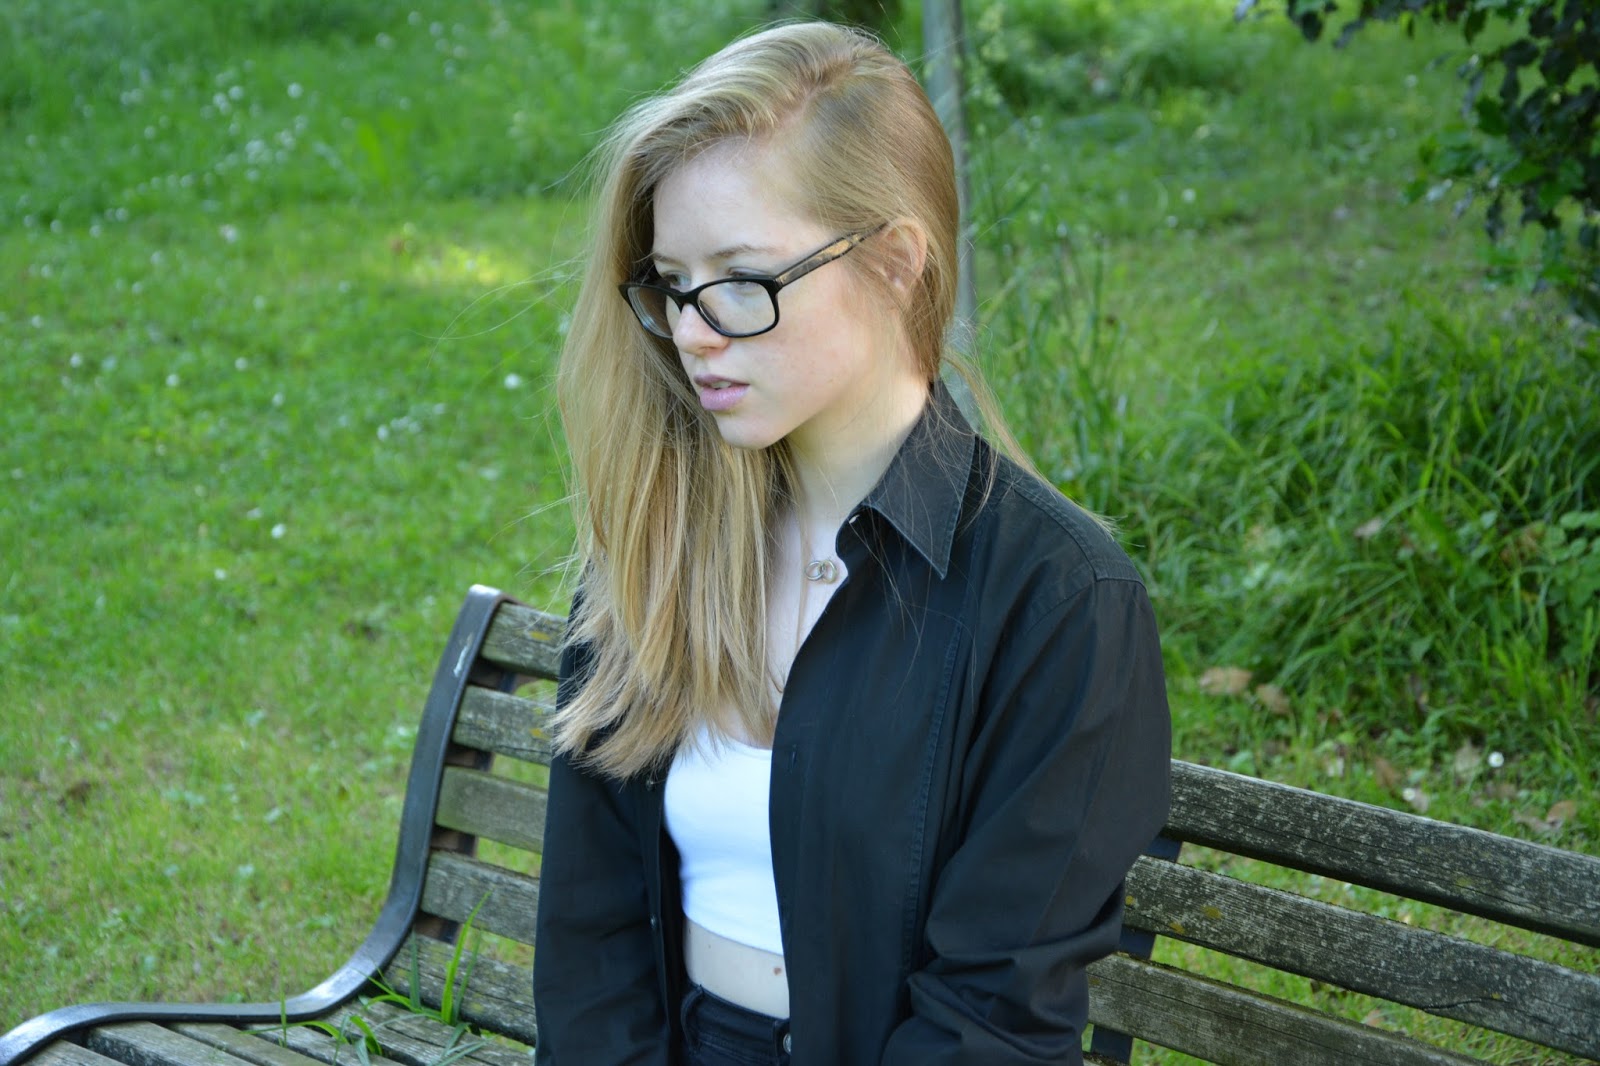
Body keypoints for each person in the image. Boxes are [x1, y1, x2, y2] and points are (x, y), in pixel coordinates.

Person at [532, 20, 1170, 1066]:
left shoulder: (1059, 602)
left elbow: (992, 1016)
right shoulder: (661, 539)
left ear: (895, 263)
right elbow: (589, 943)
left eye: (743, 280)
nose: (692, 330)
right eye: (673, 283)